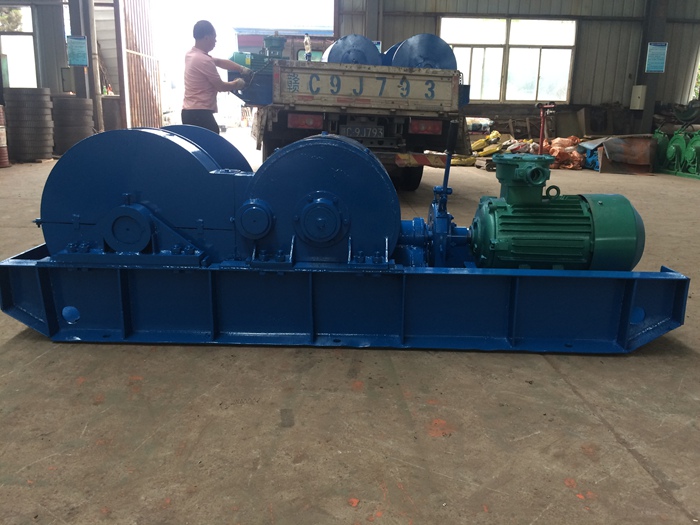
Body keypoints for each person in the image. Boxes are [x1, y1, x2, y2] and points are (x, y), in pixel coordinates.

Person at [182, 20, 252, 134]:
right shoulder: (204, 60)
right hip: (199, 114)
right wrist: (237, 83)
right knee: (213, 138)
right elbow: (220, 86)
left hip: (188, 112)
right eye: (214, 38)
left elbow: (219, 61)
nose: (215, 41)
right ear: (206, 38)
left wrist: (241, 68)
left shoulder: (191, 55)